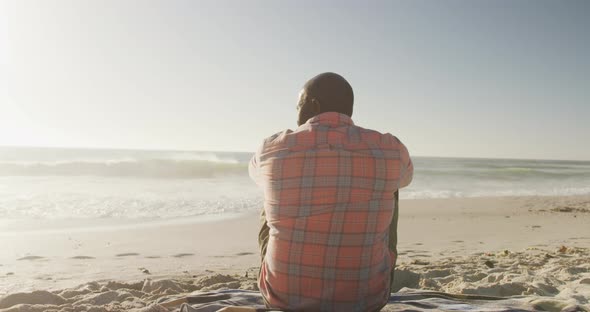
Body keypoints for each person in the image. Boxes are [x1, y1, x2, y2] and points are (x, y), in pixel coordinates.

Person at [249, 72, 413, 312]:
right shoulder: (391, 149)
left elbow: (255, 174)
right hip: (367, 300)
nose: (297, 115)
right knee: (392, 184)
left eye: (299, 106)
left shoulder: (271, 148)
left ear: (313, 104)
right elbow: (406, 179)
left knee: (272, 185)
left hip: (282, 299)